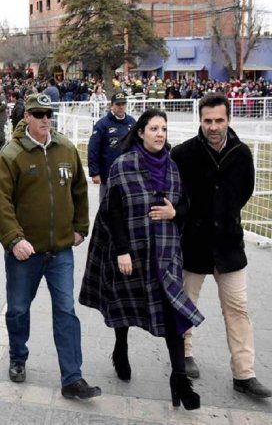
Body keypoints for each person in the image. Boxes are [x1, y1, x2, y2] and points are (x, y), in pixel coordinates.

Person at [80, 108, 204, 410]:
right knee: (124, 304)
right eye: (153, 129)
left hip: (164, 254)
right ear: (140, 133)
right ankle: (120, 348)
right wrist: (122, 250)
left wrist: (175, 212)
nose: (160, 134)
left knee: (173, 313)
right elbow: (112, 211)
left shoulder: (174, 168)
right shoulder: (123, 165)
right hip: (131, 252)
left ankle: (179, 380)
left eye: (163, 129)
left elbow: (186, 205)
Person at [0, 94, 100, 399]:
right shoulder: (12, 155)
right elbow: (0, 203)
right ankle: (17, 356)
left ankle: (72, 378)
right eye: (37, 114)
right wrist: (14, 239)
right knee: (18, 310)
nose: (43, 119)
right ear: (26, 117)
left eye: (47, 114)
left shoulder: (65, 148)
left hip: (60, 252)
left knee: (66, 311)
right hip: (25, 253)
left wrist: (80, 227)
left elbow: (79, 188)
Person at [170, 93, 272, 398]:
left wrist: (223, 218)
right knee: (185, 303)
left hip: (229, 246)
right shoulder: (183, 154)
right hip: (193, 245)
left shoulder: (242, 154)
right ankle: (185, 354)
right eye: (208, 121)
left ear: (228, 119)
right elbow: (176, 196)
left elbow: (244, 193)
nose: (214, 127)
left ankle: (244, 373)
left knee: (238, 308)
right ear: (200, 120)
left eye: (219, 120)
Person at [88, 92, 136, 200]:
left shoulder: (132, 122)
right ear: (112, 105)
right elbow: (93, 149)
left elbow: (138, 145)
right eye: (118, 104)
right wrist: (94, 173)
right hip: (108, 175)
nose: (121, 107)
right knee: (106, 209)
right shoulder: (102, 124)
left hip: (128, 174)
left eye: (123, 104)